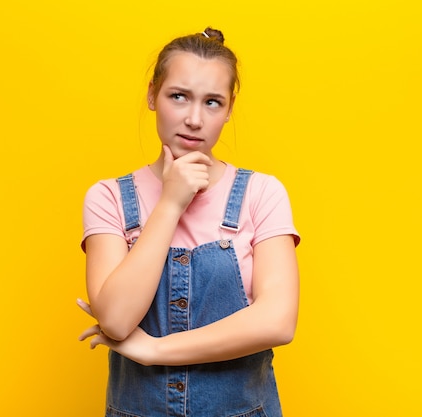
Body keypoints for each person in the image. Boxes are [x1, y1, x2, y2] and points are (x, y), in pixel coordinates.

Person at [77, 27, 300, 417]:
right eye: (178, 96)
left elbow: (278, 321)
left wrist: (155, 350)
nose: (194, 119)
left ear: (230, 108)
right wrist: (170, 203)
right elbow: (115, 319)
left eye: (212, 102)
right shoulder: (108, 197)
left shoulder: (262, 193)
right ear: (152, 95)